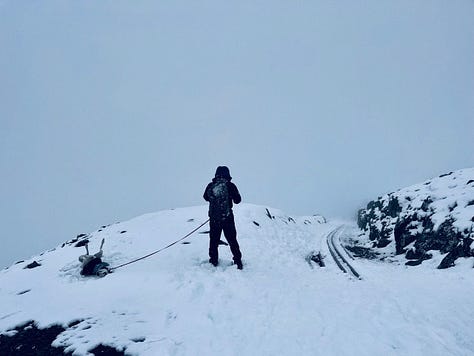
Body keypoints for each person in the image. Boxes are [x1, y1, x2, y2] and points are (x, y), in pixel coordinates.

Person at [203, 166, 243, 269]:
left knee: (214, 240)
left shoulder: (211, 185)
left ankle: (213, 261)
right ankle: (238, 261)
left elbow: (205, 197)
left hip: (214, 218)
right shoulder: (230, 185)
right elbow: (238, 200)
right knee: (232, 240)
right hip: (227, 217)